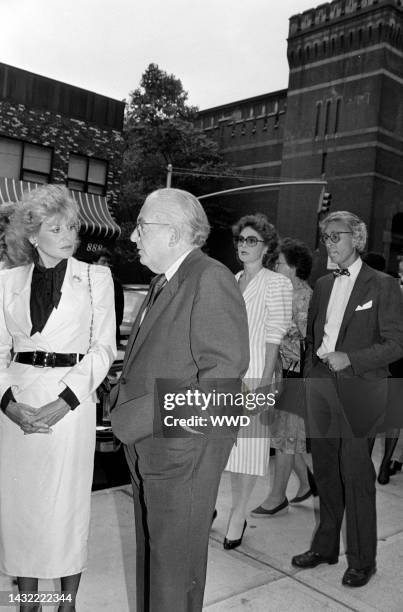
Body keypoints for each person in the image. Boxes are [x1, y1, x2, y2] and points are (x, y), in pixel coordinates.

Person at [110, 188, 249, 612]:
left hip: (179, 453)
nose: (134, 238)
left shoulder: (209, 278)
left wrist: (139, 416)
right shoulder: (165, 281)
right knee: (158, 565)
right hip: (153, 451)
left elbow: (223, 383)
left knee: (173, 577)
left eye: (142, 227)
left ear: (172, 233)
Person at [0, 185, 116, 611]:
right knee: (22, 509)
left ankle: (67, 604)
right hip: (18, 402)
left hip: (73, 401)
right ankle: (30, 601)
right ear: (33, 235)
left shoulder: (95, 277)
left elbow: (104, 348)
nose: (69, 235)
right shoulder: (6, 280)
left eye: (71, 226)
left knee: (66, 507)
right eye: (56, 227)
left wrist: (65, 400)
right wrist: (8, 403)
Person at [292, 211, 403, 588]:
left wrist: (351, 359)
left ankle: (362, 560)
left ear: (357, 238)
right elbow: (313, 337)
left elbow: (396, 345)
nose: (329, 243)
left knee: (355, 474)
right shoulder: (322, 284)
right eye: (325, 236)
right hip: (323, 385)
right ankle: (325, 547)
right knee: (325, 471)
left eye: (336, 236)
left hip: (365, 388)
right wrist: (312, 375)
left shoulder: (383, 285)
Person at [224, 215, 293, 542]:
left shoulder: (276, 283)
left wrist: (263, 387)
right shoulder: (233, 278)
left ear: (266, 247)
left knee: (249, 451)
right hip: (227, 376)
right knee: (229, 450)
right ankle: (228, 508)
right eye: (241, 240)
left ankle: (238, 516)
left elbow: (274, 338)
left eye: (252, 240)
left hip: (256, 376)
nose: (244, 245)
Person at [252, 237, 315, 516]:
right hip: (282, 371)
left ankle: (277, 497)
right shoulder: (284, 291)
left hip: (295, 374)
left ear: (292, 267)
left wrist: (274, 326)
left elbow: (304, 333)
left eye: (279, 263)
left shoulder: (303, 295)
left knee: (286, 436)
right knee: (286, 434)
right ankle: (305, 484)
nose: (275, 266)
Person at [93, 248, 124, 346]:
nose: (106, 265)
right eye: (103, 262)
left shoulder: (115, 284)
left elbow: (118, 312)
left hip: (108, 335)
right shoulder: (86, 281)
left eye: (108, 262)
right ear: (94, 263)